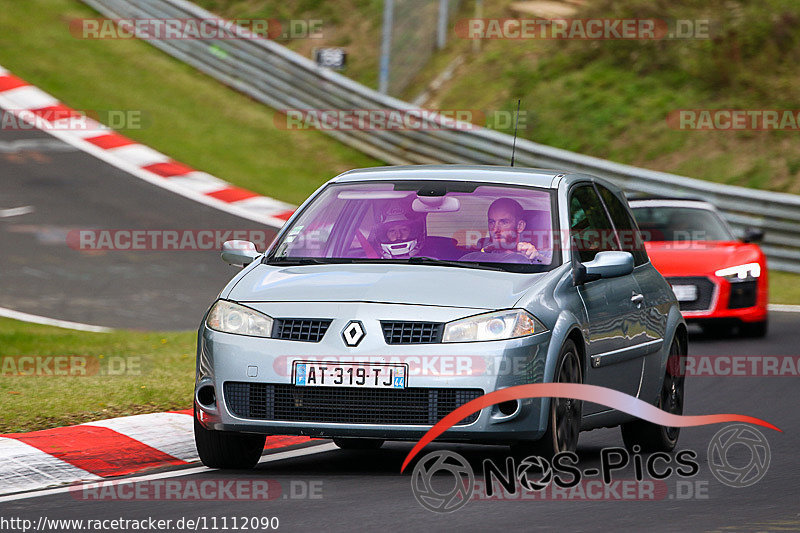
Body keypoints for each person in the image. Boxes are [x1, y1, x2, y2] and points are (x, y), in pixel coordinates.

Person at [482, 198, 546, 262]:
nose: (495, 229)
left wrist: (537, 257)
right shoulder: (481, 255)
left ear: (520, 226)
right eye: (491, 222)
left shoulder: (535, 253)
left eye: (504, 222)